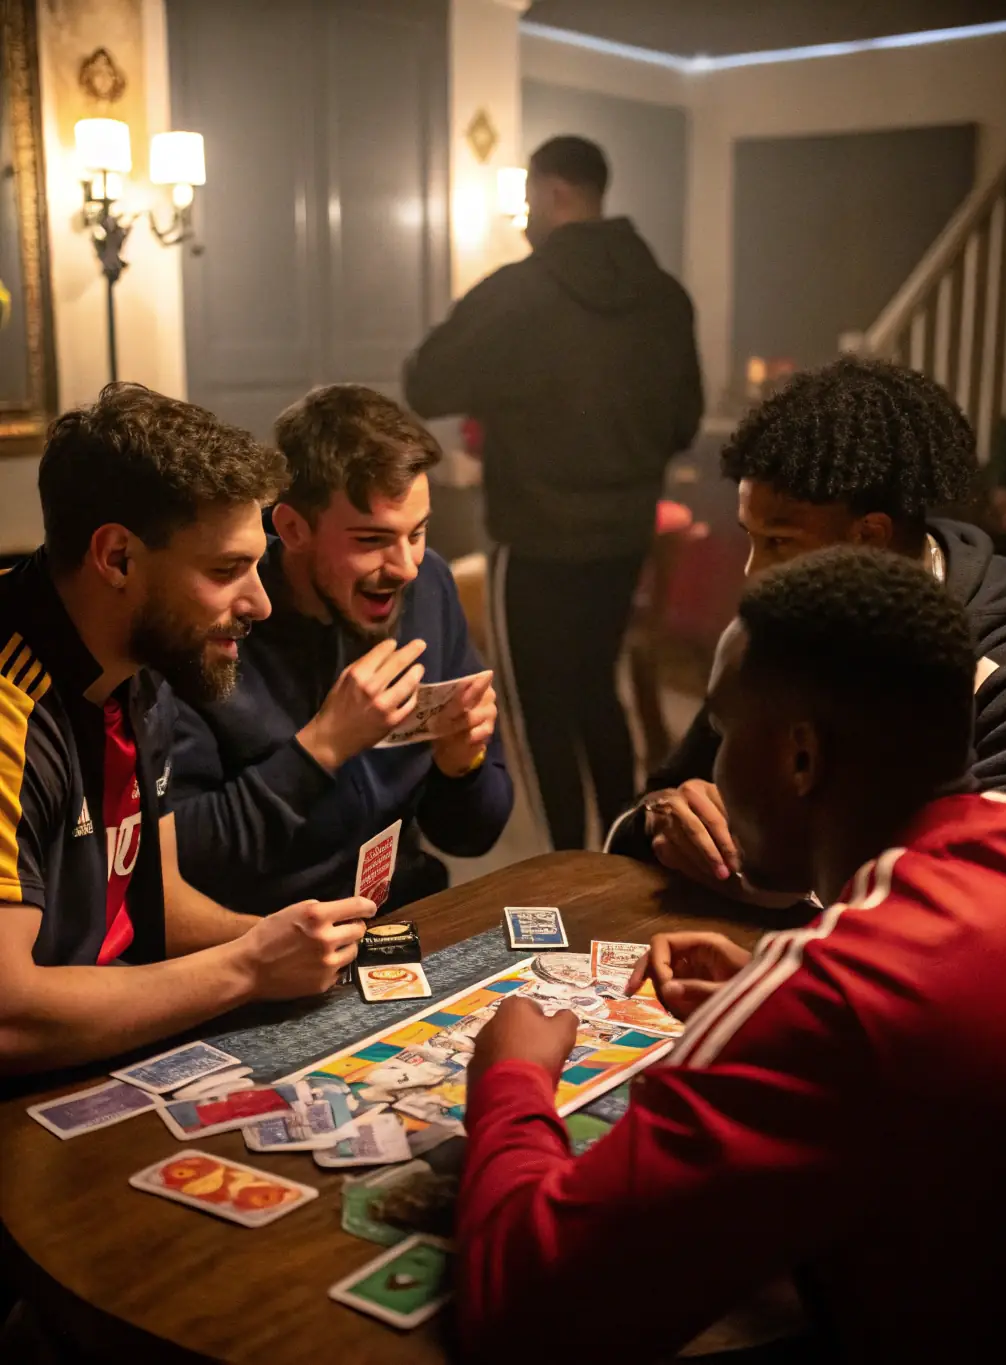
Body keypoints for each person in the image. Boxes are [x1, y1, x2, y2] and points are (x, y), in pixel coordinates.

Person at [458, 547, 1006, 1364]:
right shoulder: (1005, 829)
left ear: (801, 756)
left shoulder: (837, 994)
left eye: (722, 729)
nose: (712, 764)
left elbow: (522, 1313)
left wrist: (512, 1077)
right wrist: (772, 993)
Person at [0, 384, 372, 1081]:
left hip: (106, 1054)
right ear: (117, 558)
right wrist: (249, 965)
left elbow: (148, 891)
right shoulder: (10, 711)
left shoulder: (139, 663)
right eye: (226, 569)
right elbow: (8, 1013)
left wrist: (286, 942)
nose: (259, 601)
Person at [608, 357, 1006, 899]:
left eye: (779, 543)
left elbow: (983, 896)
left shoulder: (1005, 664)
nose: (753, 574)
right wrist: (664, 819)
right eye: (750, 538)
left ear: (870, 536)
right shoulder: (790, 623)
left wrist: (786, 876)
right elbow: (659, 800)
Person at [404, 135, 704, 851]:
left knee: (537, 712)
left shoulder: (520, 292)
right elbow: (685, 421)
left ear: (553, 191)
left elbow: (426, 380)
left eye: (529, 197)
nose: (525, 215)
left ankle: (565, 866)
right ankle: (626, 849)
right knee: (596, 691)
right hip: (624, 531)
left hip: (534, 539)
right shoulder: (664, 296)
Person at [170, 384, 512, 915]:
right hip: (268, 940)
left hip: (402, 912)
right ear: (292, 528)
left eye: (418, 532)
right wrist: (322, 747)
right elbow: (182, 861)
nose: (406, 566)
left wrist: (461, 766)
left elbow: (473, 835)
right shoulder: (215, 618)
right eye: (371, 540)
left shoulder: (429, 588)